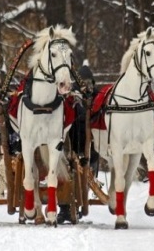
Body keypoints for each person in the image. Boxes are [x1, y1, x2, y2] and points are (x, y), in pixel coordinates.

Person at [57, 64, 100, 224]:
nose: (86, 87)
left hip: (90, 146)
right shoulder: (70, 98)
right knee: (66, 173)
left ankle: (80, 202)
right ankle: (63, 208)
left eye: (89, 83)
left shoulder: (97, 97)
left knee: (85, 171)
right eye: (83, 83)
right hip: (71, 142)